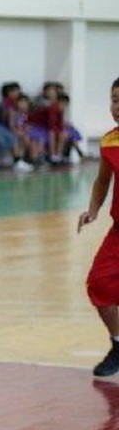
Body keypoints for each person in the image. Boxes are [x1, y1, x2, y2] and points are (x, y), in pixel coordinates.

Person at [76, 76, 119, 378]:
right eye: (115, 99)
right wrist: (93, 210)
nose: (117, 106)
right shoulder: (109, 141)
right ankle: (118, 344)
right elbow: (103, 180)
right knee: (99, 284)